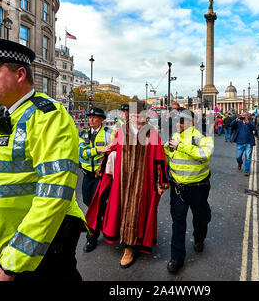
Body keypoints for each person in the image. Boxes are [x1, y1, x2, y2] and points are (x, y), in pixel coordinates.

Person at [0, 37, 86, 281]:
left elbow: (55, 192)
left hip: (30, 259)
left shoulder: (47, 115)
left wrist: (10, 264)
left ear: (20, 74)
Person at [85, 101, 169, 268]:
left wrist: (161, 182)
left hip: (143, 181)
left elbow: (159, 158)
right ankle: (125, 241)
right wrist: (103, 164)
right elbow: (113, 147)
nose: (137, 118)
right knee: (121, 209)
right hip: (122, 180)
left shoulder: (152, 134)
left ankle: (130, 247)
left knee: (138, 212)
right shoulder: (123, 131)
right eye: (134, 115)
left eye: (140, 115)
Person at [164, 108, 213, 273]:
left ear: (191, 122)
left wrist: (182, 147)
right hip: (178, 189)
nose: (178, 124)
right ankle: (176, 258)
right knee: (178, 222)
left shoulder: (200, 136)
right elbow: (164, 153)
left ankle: (199, 238)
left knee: (200, 218)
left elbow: (205, 154)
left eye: (181, 121)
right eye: (177, 121)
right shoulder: (173, 137)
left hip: (198, 188)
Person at [80, 107, 112, 252]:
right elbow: (81, 154)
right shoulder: (83, 134)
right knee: (88, 201)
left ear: (101, 120)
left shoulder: (107, 135)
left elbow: (111, 152)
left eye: (94, 117)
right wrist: (98, 150)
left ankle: (91, 238)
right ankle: (103, 221)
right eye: (90, 117)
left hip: (100, 176)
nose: (91, 120)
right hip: (87, 176)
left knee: (94, 205)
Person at [230, 112, 256, 176]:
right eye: (243, 115)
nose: (244, 116)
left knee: (248, 158)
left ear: (248, 116)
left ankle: (246, 170)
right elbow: (231, 125)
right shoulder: (239, 122)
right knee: (238, 157)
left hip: (248, 143)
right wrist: (235, 120)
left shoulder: (250, 121)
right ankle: (240, 163)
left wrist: (248, 123)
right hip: (240, 143)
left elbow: (254, 128)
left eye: (245, 115)